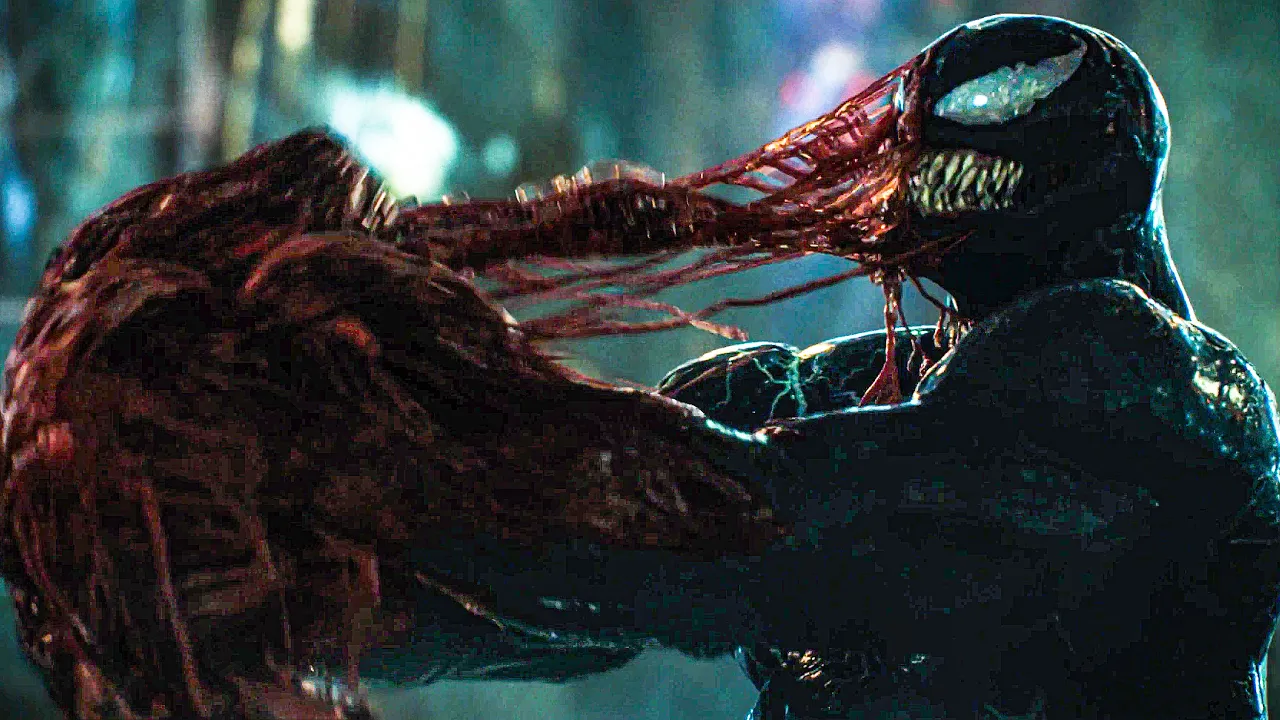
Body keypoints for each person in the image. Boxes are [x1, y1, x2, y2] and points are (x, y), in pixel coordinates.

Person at [2, 13, 1276, 720]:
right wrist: (288, 571)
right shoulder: (883, 381)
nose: (891, 179)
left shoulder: (1148, 389)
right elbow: (604, 571)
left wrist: (323, 483)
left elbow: (745, 540)